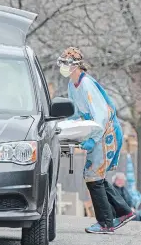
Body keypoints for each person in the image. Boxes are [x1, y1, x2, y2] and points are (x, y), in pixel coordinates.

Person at [57, 46, 135, 234]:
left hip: (104, 133)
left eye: (67, 63)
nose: (64, 67)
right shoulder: (72, 85)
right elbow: (77, 112)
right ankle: (123, 211)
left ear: (76, 66)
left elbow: (101, 116)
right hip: (96, 131)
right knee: (95, 176)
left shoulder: (87, 85)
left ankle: (106, 222)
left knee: (93, 176)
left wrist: (92, 139)